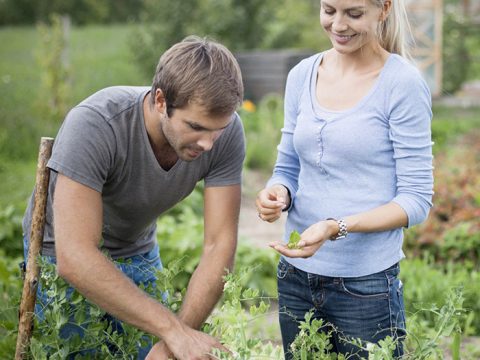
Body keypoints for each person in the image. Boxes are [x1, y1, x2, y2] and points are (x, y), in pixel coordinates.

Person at [22, 36, 245, 359]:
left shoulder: (227, 132)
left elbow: (219, 244)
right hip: (60, 255)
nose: (209, 143)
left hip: (137, 250)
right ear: (160, 101)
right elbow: (75, 254)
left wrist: (175, 340)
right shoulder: (97, 124)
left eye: (218, 129)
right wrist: (173, 330)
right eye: (196, 126)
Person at [256, 0, 433, 358]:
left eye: (353, 13)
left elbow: (416, 200)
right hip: (296, 277)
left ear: (383, 9)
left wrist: (336, 226)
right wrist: (278, 193)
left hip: (366, 286)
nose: (338, 24)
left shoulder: (402, 84)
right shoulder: (302, 74)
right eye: (329, 9)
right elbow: (288, 167)